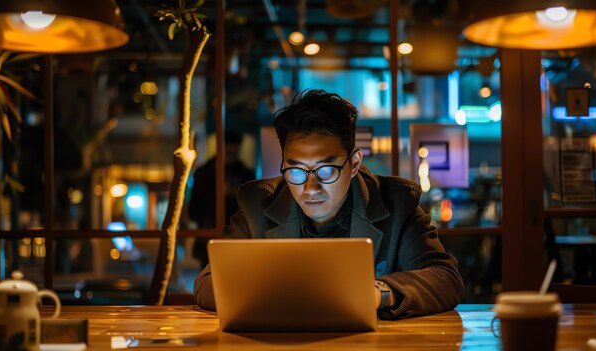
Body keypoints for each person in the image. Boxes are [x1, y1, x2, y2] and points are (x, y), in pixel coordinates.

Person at [194, 89, 463, 319]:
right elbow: (207, 283)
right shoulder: (258, 206)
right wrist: (283, 296)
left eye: (326, 170)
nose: (311, 188)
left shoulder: (396, 204)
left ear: (354, 163)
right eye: (296, 171)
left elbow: (444, 279)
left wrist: (378, 292)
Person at [188, 130, 254, 267]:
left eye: (232, 153)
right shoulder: (203, 174)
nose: (230, 157)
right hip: (212, 237)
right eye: (229, 153)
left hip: (234, 238)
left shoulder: (245, 175)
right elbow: (194, 211)